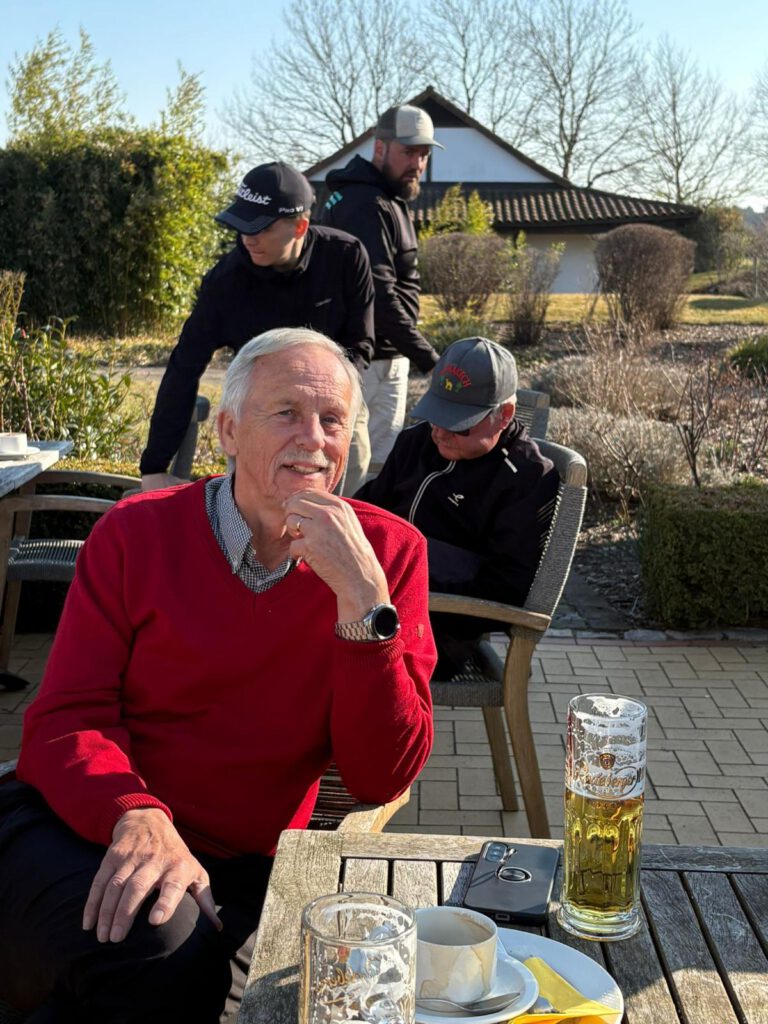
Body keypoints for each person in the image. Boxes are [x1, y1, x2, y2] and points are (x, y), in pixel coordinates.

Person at [0, 328, 436, 1024]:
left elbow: (380, 776)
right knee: (159, 959)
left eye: (332, 421)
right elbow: (64, 717)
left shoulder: (387, 555)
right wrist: (135, 814)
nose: (314, 439)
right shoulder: (137, 533)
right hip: (85, 824)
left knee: (171, 975)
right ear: (228, 430)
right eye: (286, 412)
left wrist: (361, 603)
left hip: (239, 868)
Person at [140, 161, 376, 494]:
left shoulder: (345, 257)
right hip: (261, 414)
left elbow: (361, 344)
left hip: (331, 411)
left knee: (337, 509)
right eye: (241, 226)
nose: (248, 239)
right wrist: (154, 466)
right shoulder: (225, 283)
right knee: (255, 513)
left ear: (299, 226)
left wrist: (327, 409)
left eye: (260, 228)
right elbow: (184, 368)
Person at [357, 337, 559, 676]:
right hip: (371, 598)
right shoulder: (416, 441)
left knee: (318, 653)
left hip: (437, 631)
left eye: (459, 424)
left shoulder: (526, 477)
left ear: (504, 415)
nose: (440, 432)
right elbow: (368, 508)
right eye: (436, 415)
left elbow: (508, 588)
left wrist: (407, 581)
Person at [320, 104, 442, 472]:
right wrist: (431, 361)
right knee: (355, 472)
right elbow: (379, 295)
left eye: (424, 154)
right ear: (380, 148)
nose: (417, 163)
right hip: (367, 363)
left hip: (384, 357)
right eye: (409, 152)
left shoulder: (386, 198)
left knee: (372, 471)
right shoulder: (366, 204)